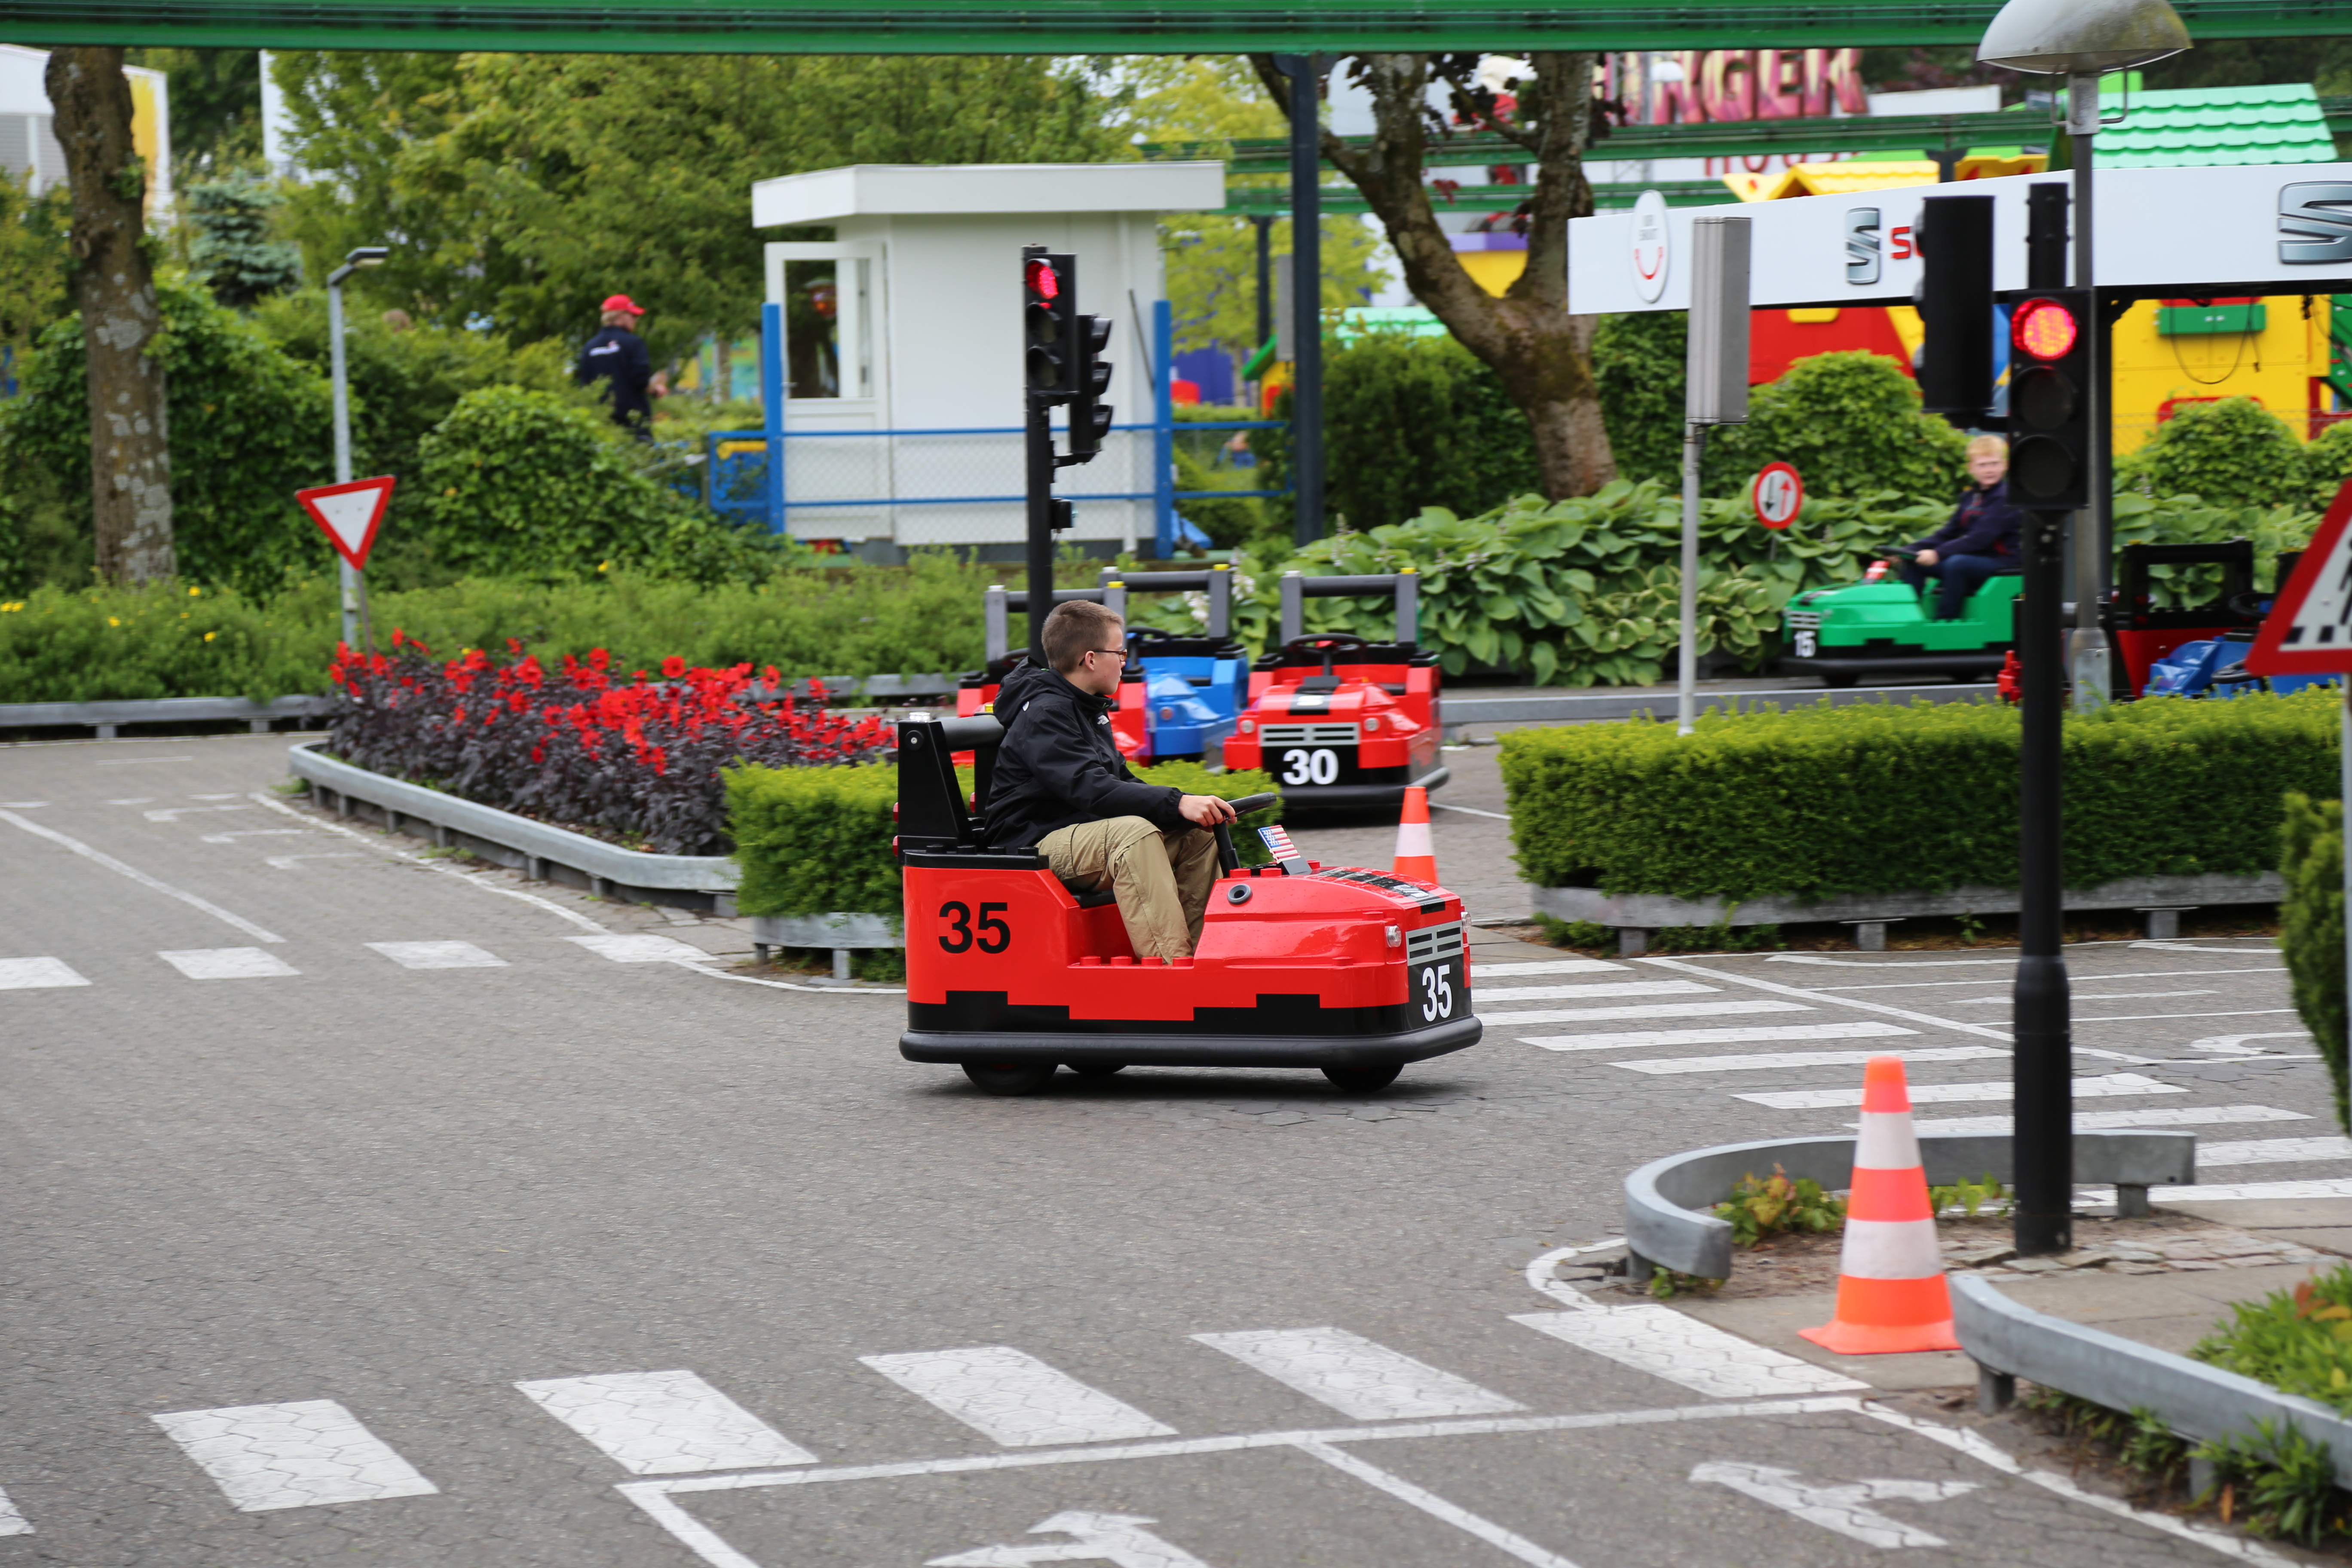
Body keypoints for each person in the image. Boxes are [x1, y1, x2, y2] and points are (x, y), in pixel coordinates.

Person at [983, 600, 1239, 962]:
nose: (1124, 661)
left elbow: (1119, 781)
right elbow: (1090, 789)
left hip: (1076, 832)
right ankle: (1172, 970)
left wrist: (1184, 805)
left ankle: (1204, 959)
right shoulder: (1047, 713)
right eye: (1119, 652)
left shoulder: (1086, 708)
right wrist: (1176, 801)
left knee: (1195, 832)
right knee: (1133, 835)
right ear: (1090, 659)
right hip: (1032, 840)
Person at [1897, 435, 2023, 620]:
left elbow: (1980, 538)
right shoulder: (1970, 498)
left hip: (2001, 561)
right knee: (1914, 563)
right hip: (1974, 559)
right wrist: (1909, 551)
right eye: (1983, 465)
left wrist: (1937, 554)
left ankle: (1946, 619)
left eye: (1994, 464)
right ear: (1971, 468)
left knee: (1957, 563)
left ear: (2005, 465)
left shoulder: (2005, 498)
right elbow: (1948, 533)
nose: (1989, 470)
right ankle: (1908, 617)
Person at [577, 294, 668, 438]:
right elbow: (640, 380)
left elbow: (585, 387)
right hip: (633, 424)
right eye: (633, 316)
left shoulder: (590, 347)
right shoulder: (633, 343)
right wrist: (655, 389)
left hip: (599, 425)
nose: (636, 320)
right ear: (621, 316)